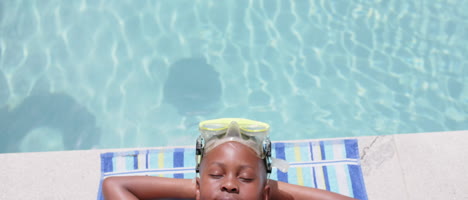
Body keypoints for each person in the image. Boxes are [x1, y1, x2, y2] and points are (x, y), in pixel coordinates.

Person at [103, 118, 357, 200]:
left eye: (245, 177)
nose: (229, 184)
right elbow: (115, 186)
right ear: (198, 187)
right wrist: (201, 188)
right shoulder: (202, 189)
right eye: (216, 174)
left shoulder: (264, 192)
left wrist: (266, 189)